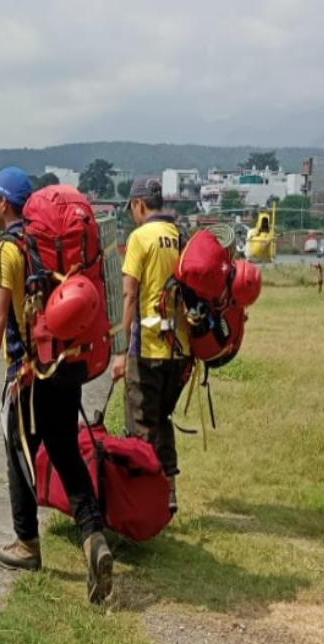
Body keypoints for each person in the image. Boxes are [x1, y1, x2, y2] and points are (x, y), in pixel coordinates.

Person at [0, 167, 114, 605]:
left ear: (2, 203)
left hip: (28, 374)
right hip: (67, 366)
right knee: (66, 452)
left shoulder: (5, 252)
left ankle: (27, 544)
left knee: (16, 451)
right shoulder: (50, 250)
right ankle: (93, 537)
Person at [111, 177, 190, 516]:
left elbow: (130, 294)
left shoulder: (139, 238)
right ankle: (169, 491)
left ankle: (144, 501)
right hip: (180, 352)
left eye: (131, 208)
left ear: (139, 204)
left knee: (140, 426)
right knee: (163, 419)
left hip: (147, 350)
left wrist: (119, 348)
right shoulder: (180, 236)